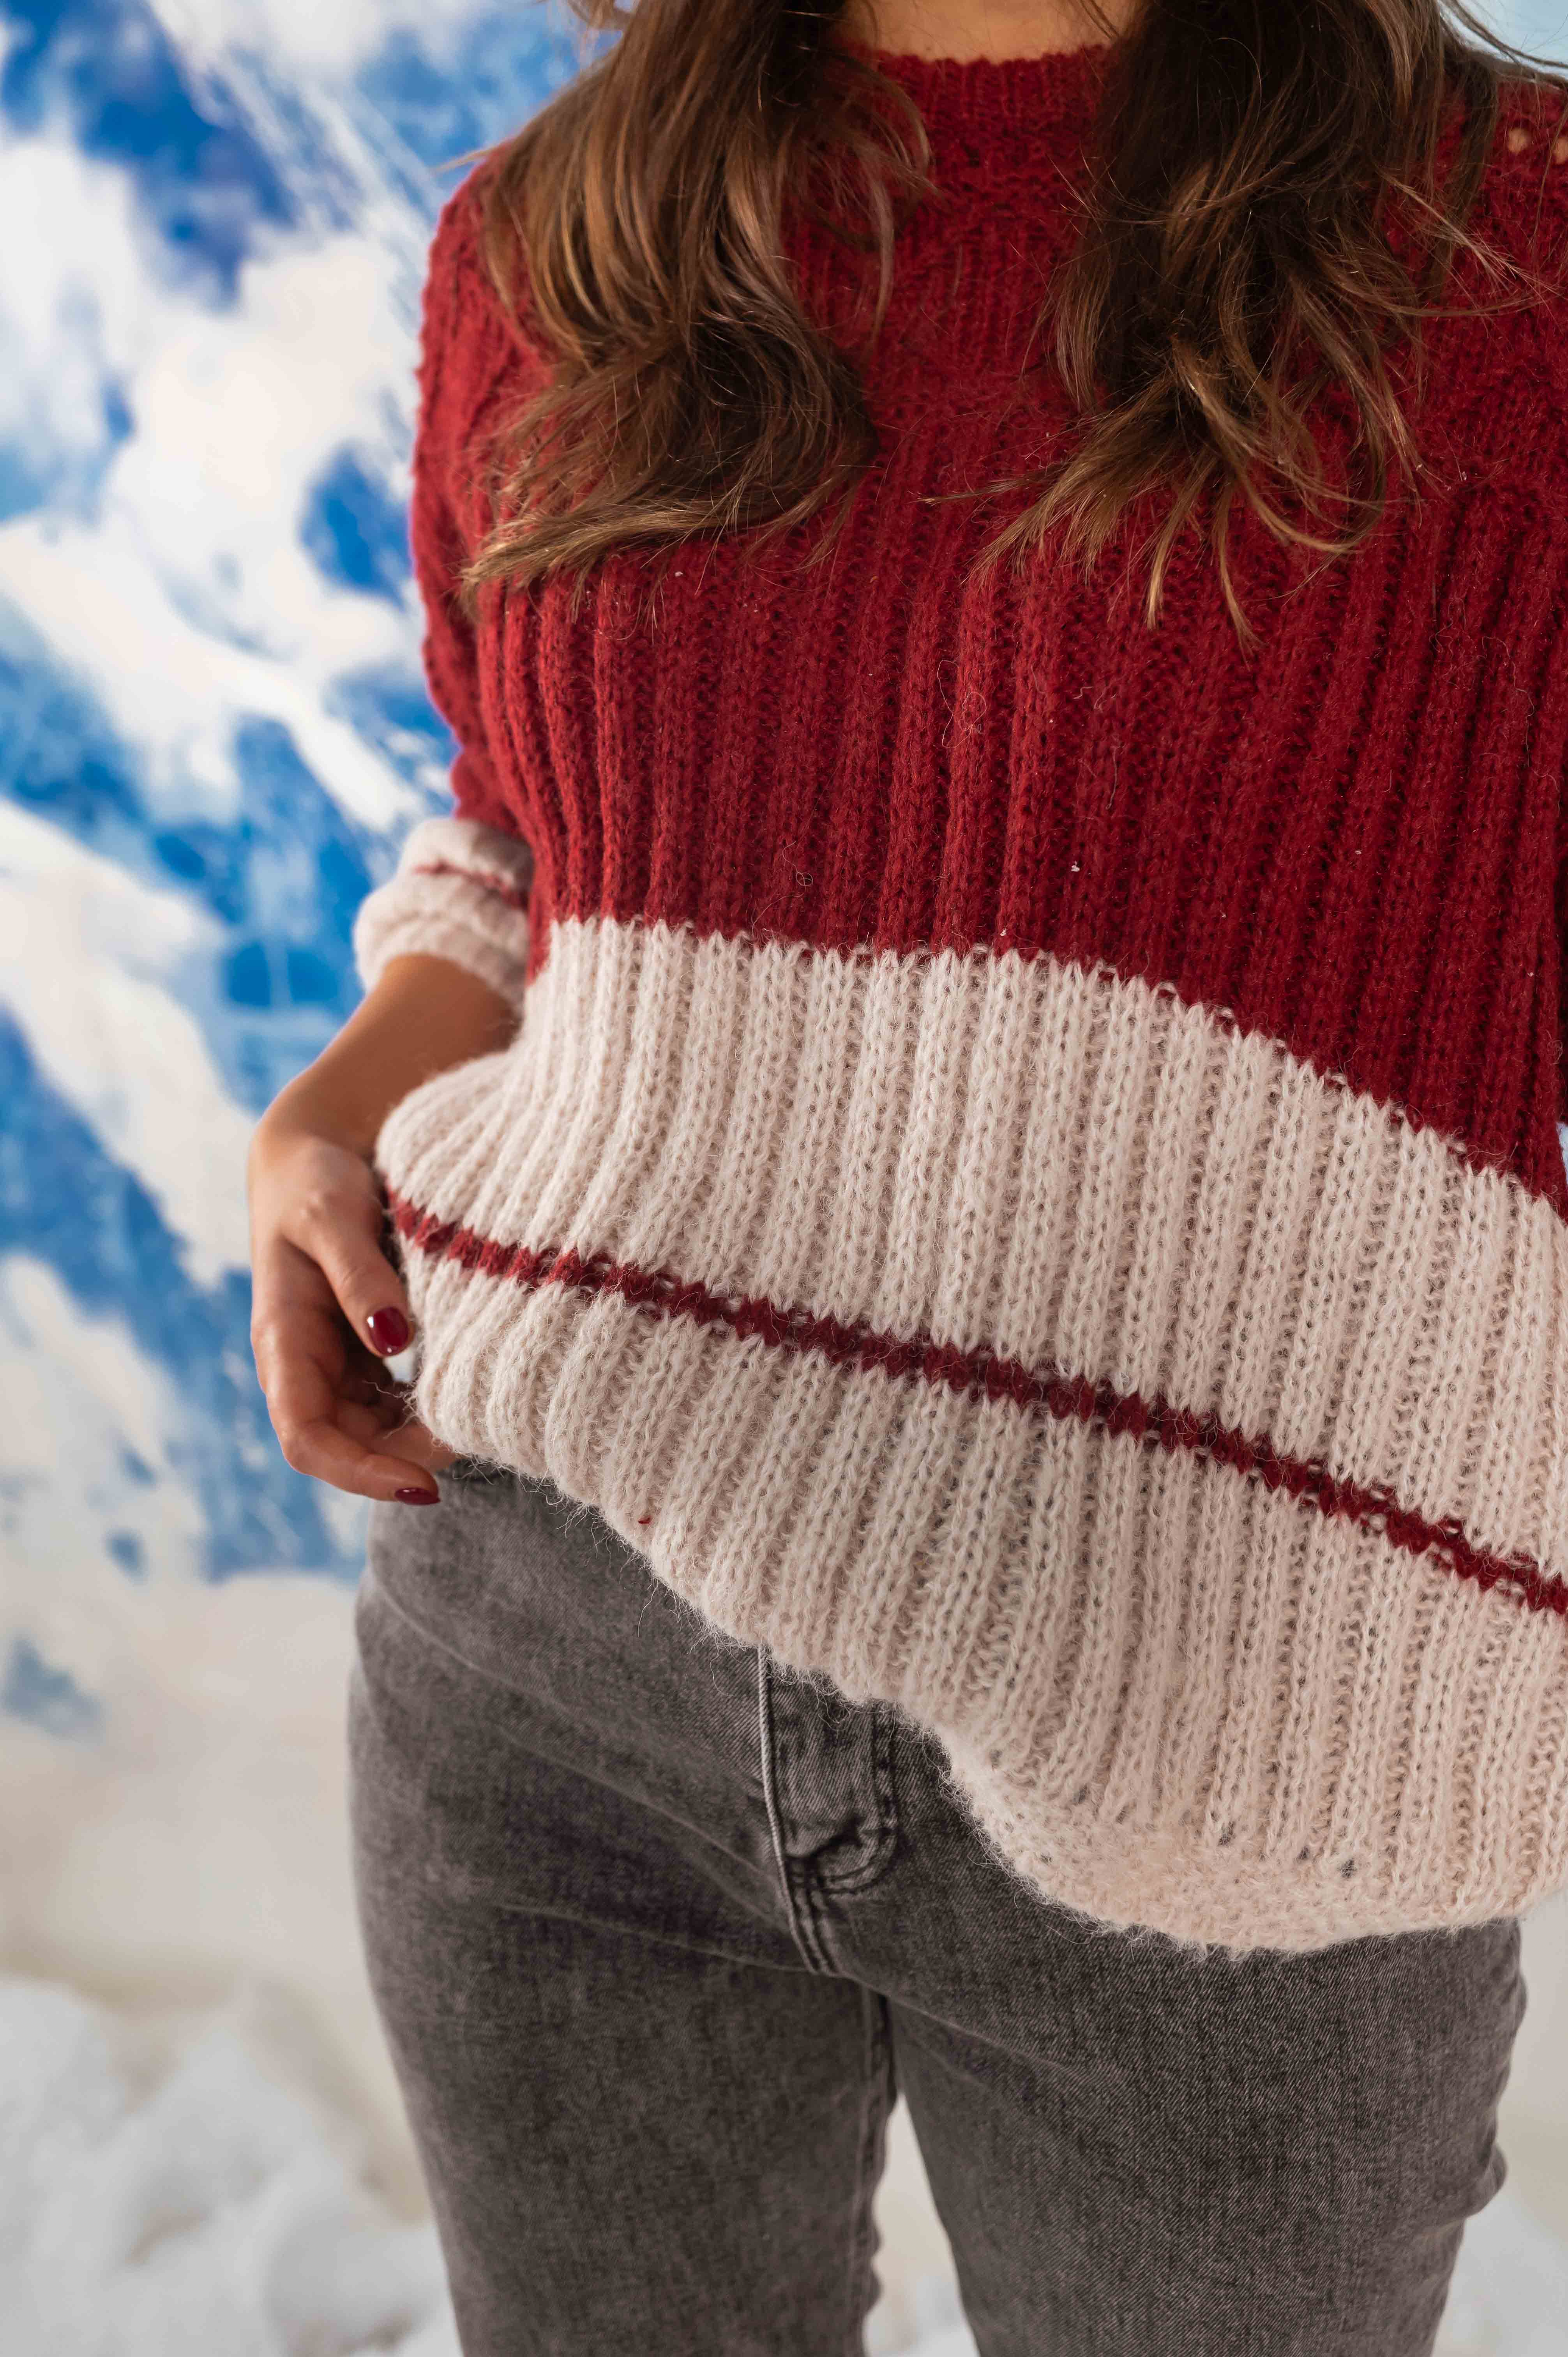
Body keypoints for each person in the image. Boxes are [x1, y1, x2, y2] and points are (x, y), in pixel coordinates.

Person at [245, 0, 1568, 2347]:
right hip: (558, 1655)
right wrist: (342, 1093)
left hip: (1235, 1719)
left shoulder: (1518, 260)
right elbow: (530, 828)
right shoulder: (553, 240)